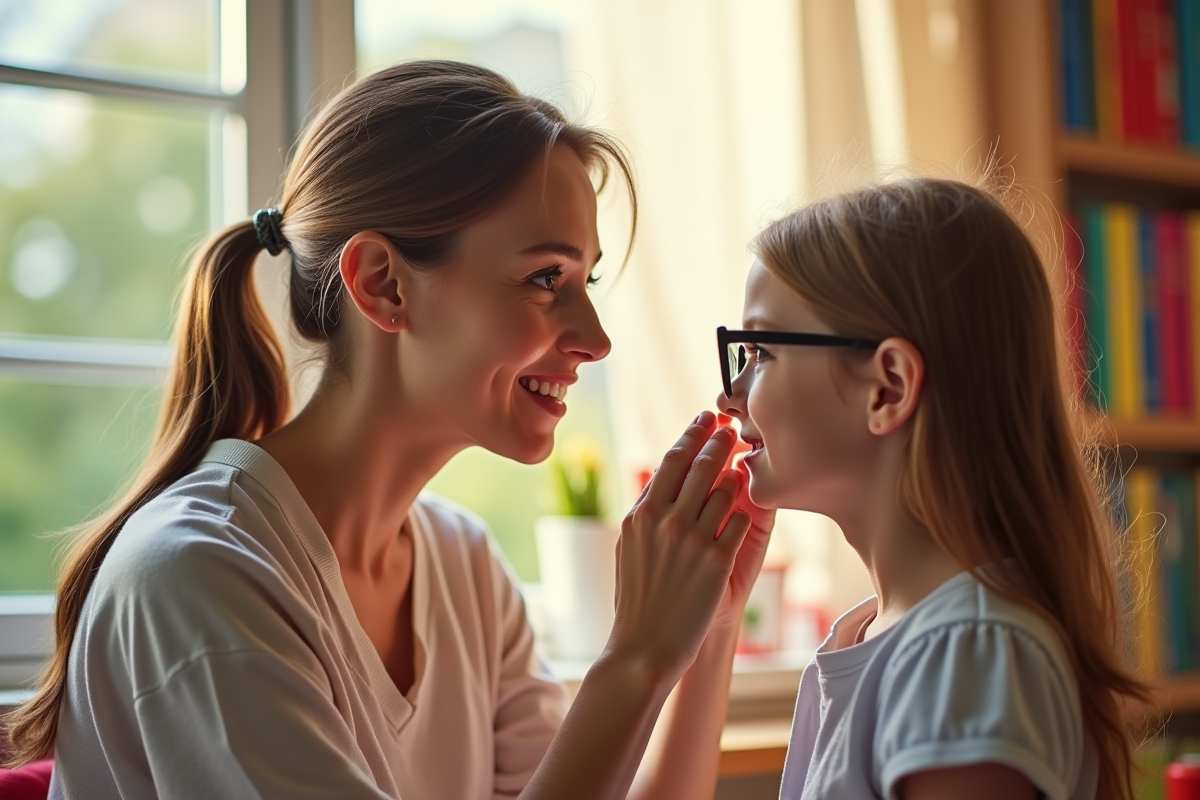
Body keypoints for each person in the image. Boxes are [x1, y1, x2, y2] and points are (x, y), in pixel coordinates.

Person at [2, 61, 775, 800]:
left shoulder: (464, 565)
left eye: (586, 281)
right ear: (383, 284)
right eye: (547, 278)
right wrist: (633, 655)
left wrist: (708, 627)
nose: (596, 338)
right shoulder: (197, 575)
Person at [715, 177, 1149, 800]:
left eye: (759, 351)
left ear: (887, 388)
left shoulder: (966, 654)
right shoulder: (872, 638)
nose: (730, 397)